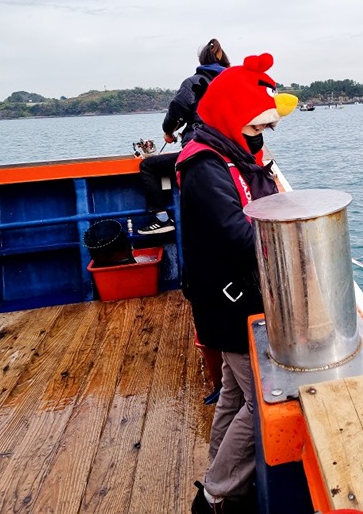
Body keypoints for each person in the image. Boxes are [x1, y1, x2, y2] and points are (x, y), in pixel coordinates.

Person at [175, 53, 297, 514]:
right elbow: (236, 233)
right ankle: (217, 493)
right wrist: (294, 239)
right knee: (257, 401)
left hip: (233, 294)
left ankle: (215, 472)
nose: (259, 137)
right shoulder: (206, 167)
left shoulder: (233, 154)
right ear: (231, 117)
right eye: (254, 129)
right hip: (229, 300)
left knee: (231, 390)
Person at [136, 39, 231, 235]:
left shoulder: (194, 82)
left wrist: (168, 133)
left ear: (202, 60)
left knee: (148, 166)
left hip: (200, 151)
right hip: (231, 153)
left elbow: (177, 110)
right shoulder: (234, 83)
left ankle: (162, 219)